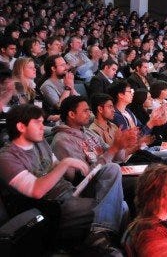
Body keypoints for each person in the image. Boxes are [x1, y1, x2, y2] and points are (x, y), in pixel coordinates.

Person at [0, 104, 127, 255]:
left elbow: (62, 173)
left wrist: (79, 168)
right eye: (37, 123)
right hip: (53, 207)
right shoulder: (7, 158)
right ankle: (100, 241)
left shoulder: (40, 143)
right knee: (122, 207)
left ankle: (100, 235)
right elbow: (36, 191)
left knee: (112, 168)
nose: (43, 127)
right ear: (21, 126)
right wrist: (66, 163)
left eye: (42, 122)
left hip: (71, 192)